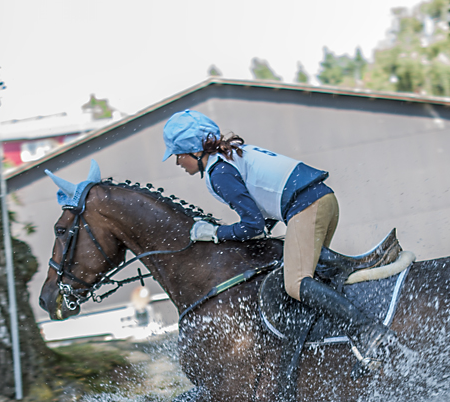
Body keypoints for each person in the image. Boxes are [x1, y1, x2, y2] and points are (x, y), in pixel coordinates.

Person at [162, 109, 391, 362]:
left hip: (307, 207)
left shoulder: (219, 173)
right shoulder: (233, 155)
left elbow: (253, 226)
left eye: (178, 155)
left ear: (195, 151)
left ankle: (367, 331)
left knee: (295, 283)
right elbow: (266, 204)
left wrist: (215, 233)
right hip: (322, 200)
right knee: (309, 278)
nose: (177, 163)